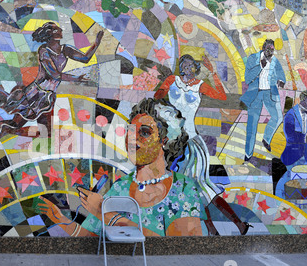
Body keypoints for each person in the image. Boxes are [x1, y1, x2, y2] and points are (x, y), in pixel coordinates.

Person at [77, 98, 208, 236]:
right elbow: (90, 238)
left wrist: (102, 212)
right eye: (131, 130)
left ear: (165, 140)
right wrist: (59, 218)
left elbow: (178, 249)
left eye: (145, 132)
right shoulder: (120, 186)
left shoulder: (182, 187)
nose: (133, 138)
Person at [154, 54, 251, 235]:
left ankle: (235, 223)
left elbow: (221, 96)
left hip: (191, 144)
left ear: (196, 69)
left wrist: (213, 72)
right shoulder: (172, 80)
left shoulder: (199, 85)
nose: (187, 67)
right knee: (192, 190)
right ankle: (214, 228)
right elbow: (157, 96)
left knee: (200, 187)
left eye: (192, 65)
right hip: (174, 142)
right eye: (184, 64)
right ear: (181, 66)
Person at [0, 22, 104, 146]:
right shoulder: (44, 51)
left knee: (39, 130)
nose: (60, 29)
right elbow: (54, 74)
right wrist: (77, 79)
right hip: (36, 94)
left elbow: (85, 58)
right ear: (50, 34)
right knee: (30, 127)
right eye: (56, 29)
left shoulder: (65, 49)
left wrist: (96, 43)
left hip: (48, 95)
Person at [240, 39, 286, 161]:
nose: (270, 52)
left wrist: (281, 80)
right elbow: (248, 78)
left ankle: (266, 138)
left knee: (278, 117)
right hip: (255, 94)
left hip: (269, 93)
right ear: (263, 48)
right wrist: (260, 66)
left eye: (272, 50)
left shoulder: (275, 61)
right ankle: (248, 153)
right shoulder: (253, 58)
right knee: (252, 126)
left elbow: (281, 73)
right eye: (267, 50)